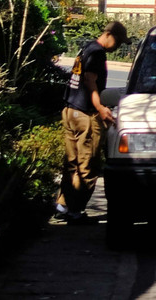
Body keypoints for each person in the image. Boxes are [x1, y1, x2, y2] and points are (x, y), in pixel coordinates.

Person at [54, 21, 128, 222]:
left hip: (70, 110)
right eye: (119, 42)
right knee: (88, 165)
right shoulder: (97, 53)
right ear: (109, 35)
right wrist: (100, 108)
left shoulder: (86, 48)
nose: (118, 47)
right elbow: (89, 81)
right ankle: (75, 211)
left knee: (71, 163)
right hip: (85, 114)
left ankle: (63, 205)